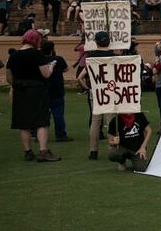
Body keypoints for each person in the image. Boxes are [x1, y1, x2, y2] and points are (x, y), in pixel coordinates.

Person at [6, 29, 60, 162]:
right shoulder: (37, 54)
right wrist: (51, 66)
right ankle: (43, 151)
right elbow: (46, 74)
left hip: (20, 90)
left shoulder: (13, 56)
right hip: (36, 90)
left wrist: (18, 84)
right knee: (42, 120)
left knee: (23, 123)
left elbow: (8, 77)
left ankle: (28, 151)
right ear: (36, 41)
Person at [77, 31, 115, 160]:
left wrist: (88, 89)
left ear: (96, 42)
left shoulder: (91, 58)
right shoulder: (114, 57)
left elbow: (80, 78)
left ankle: (93, 151)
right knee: (110, 121)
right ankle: (112, 149)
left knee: (95, 122)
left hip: (96, 92)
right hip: (110, 92)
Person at [41, 41, 72, 142]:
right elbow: (66, 69)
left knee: (42, 114)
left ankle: (37, 134)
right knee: (58, 114)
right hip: (57, 90)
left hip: (43, 90)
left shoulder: (40, 60)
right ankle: (60, 135)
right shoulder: (58, 59)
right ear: (52, 49)